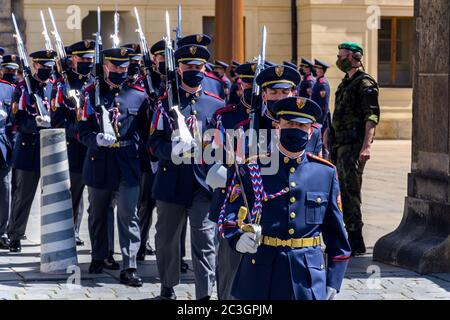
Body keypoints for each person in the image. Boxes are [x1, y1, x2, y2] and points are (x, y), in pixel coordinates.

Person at [219, 96, 351, 300]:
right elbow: (231, 213)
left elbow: (337, 236)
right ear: (277, 126)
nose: (295, 129)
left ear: (311, 130)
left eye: (302, 125)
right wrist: (237, 237)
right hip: (260, 273)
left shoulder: (325, 173)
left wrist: (333, 280)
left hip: (307, 277)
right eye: (289, 123)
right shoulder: (253, 168)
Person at [149, 44, 225, 300]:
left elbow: (224, 143)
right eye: (188, 66)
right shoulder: (166, 103)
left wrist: (215, 149)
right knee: (167, 240)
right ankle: (167, 287)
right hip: (172, 180)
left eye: (198, 67)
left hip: (203, 183)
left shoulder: (216, 105)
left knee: (204, 242)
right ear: (179, 68)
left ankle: (204, 295)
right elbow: (153, 143)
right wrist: (172, 150)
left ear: (205, 69)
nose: (193, 71)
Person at [78, 47, 148, 287]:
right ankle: (98, 255)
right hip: (100, 161)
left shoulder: (138, 95)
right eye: (115, 66)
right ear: (105, 65)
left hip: (128, 162)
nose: (120, 71)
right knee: (98, 212)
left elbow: (146, 131)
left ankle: (129, 266)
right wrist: (94, 140)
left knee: (129, 214)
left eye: (123, 67)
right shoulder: (90, 93)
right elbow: (81, 129)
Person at [327, 42, 380, 256]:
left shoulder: (364, 83)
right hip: (339, 145)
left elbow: (372, 116)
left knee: (350, 193)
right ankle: (345, 238)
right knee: (339, 193)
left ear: (353, 57)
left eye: (342, 56)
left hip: (353, 147)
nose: (338, 59)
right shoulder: (345, 83)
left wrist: (366, 146)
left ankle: (355, 241)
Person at [7, 50, 55, 252]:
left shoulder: (55, 87)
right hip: (29, 148)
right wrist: (35, 124)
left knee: (53, 196)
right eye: (43, 66)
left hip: (51, 146)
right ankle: (16, 235)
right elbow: (15, 120)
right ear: (35, 66)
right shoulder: (22, 88)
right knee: (23, 195)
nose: (47, 70)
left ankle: (53, 237)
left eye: (50, 67)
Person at [50, 40, 95, 247]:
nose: (88, 62)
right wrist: (77, 131)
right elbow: (57, 120)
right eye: (83, 59)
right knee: (74, 193)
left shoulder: (96, 82)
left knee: (97, 196)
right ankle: (71, 232)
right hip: (75, 146)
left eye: (90, 59)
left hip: (95, 146)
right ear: (73, 59)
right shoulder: (62, 85)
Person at [0, 54, 18, 249]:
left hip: (2, 146)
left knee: (5, 190)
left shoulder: (9, 90)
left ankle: (1, 231)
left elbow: (14, 121)